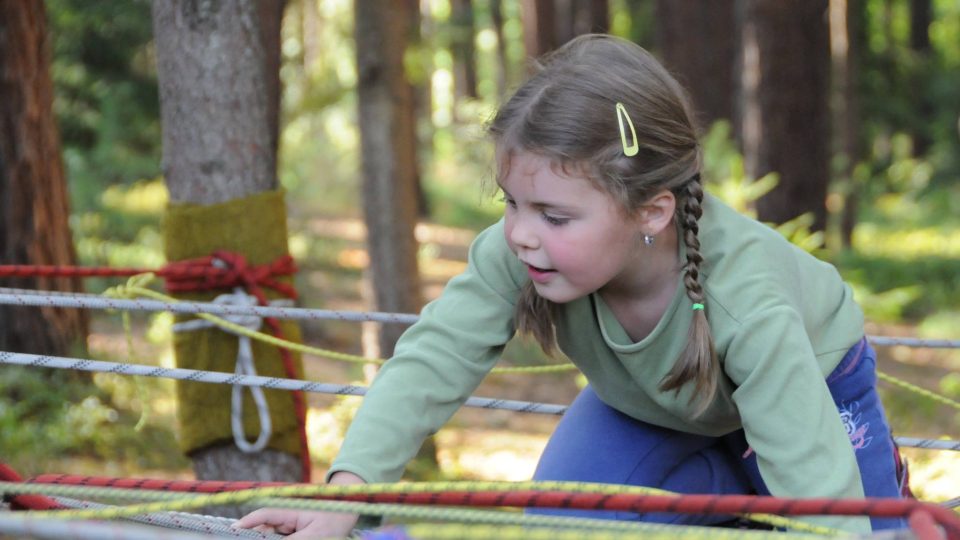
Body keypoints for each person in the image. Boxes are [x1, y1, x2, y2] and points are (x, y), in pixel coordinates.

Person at [235, 34, 909, 538]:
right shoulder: (522, 250)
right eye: (512, 203)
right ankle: (725, 498)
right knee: (561, 524)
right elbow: (432, 359)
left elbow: (827, 508)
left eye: (554, 215)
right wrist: (345, 496)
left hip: (813, 389)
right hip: (649, 406)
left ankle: (749, 499)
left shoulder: (746, 300)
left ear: (652, 212)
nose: (523, 233)